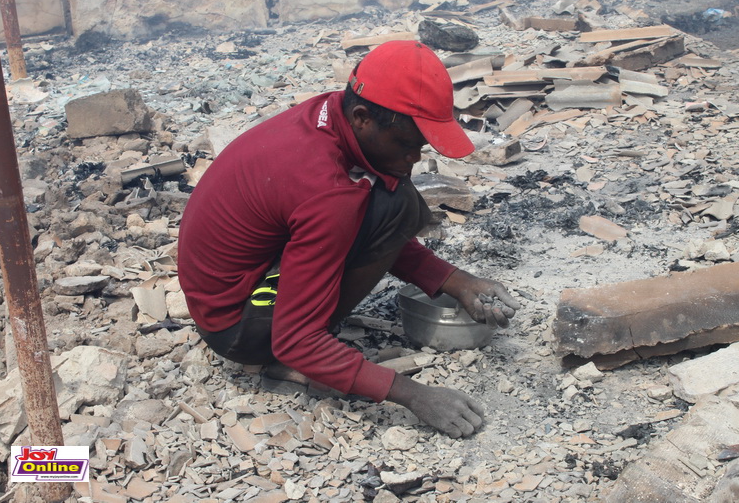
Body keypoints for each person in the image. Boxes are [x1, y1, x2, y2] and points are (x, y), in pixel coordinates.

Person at [178, 40, 520, 439]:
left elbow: (361, 223)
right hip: (237, 328)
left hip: (228, 289)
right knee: (396, 202)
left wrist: (455, 280)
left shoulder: (330, 114)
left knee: (393, 193)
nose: (415, 157)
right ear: (362, 118)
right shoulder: (328, 191)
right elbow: (296, 340)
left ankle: (309, 335)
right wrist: (414, 394)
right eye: (408, 144)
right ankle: (286, 362)